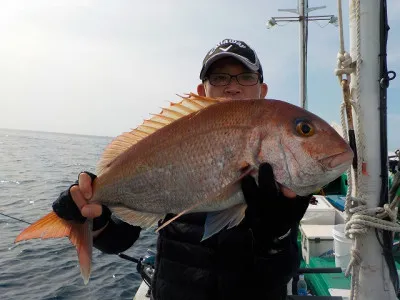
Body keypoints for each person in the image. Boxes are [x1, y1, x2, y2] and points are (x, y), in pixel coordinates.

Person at [53, 39, 312, 300]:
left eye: (245, 77)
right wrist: (97, 222)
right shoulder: (172, 137)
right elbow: (120, 239)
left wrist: (276, 237)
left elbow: (282, 273)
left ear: (262, 89)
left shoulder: (283, 171)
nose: (233, 87)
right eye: (220, 78)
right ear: (202, 90)